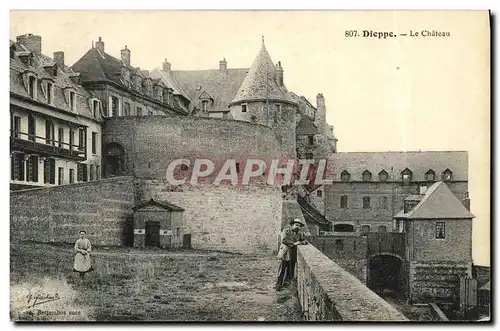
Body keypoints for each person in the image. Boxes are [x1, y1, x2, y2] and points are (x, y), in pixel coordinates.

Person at [275, 218, 308, 290]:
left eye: (299, 226)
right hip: (285, 252)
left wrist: (302, 242)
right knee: (282, 270)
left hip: (293, 254)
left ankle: (287, 286)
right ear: (292, 225)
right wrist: (294, 243)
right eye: (296, 225)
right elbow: (284, 240)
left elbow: (304, 240)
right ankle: (278, 285)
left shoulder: (299, 233)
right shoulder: (286, 230)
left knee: (290, 270)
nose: (297, 227)